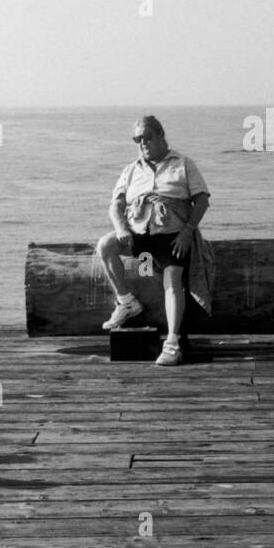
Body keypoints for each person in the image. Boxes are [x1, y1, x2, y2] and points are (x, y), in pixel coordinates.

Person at [98, 116, 213, 366]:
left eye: (147, 136)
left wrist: (187, 231)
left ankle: (172, 344)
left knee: (172, 281)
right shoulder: (130, 170)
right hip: (138, 236)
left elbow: (202, 200)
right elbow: (115, 205)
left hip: (173, 238)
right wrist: (120, 228)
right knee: (105, 245)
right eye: (137, 139)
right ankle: (127, 302)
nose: (142, 143)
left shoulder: (183, 164)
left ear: (161, 136)